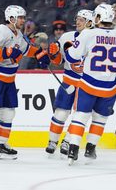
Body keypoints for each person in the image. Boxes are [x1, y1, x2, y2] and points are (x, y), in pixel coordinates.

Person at [0, 5, 50, 161]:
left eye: (23, 17)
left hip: (9, 78)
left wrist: (39, 54)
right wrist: (7, 52)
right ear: (11, 18)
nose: (23, 20)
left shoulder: (18, 34)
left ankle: (1, 146)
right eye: (20, 17)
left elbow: (25, 49)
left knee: (9, 112)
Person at [64, 4, 116, 165]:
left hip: (89, 83)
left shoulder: (88, 34)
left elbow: (73, 58)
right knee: (100, 118)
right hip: (110, 86)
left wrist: (68, 49)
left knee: (81, 115)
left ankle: (73, 149)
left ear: (98, 18)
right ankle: (90, 148)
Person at [45, 9, 93, 157]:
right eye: (77, 18)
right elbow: (59, 61)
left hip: (86, 83)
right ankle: (52, 141)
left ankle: (67, 141)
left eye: (82, 19)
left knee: (79, 115)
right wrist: (54, 55)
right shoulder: (67, 36)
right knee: (61, 112)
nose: (78, 22)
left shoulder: (95, 38)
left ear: (90, 23)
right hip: (69, 80)